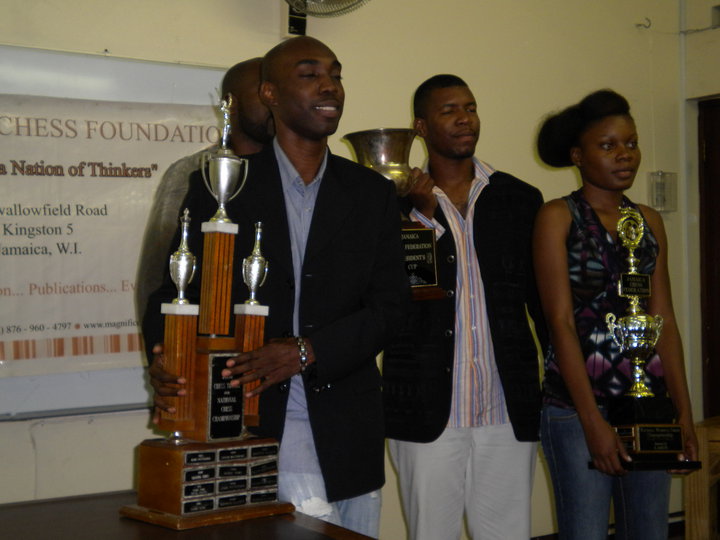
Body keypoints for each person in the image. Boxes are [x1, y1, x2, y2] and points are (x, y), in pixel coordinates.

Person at [142, 36, 409, 538]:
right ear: (269, 93)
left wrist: (307, 350)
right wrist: (165, 356)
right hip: (254, 434)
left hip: (348, 439)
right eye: (309, 74)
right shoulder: (222, 185)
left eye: (335, 73)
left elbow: (392, 309)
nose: (329, 85)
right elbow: (173, 295)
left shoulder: (371, 192)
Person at [382, 74, 547, 540]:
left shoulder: (519, 199)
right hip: (426, 409)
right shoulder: (390, 206)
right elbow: (402, 298)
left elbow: (540, 303)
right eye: (449, 110)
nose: (464, 119)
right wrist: (420, 218)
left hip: (505, 407)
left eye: (470, 107)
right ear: (420, 126)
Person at [533, 89, 698, 540]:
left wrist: (682, 414)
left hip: (648, 407)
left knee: (649, 532)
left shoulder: (647, 221)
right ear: (578, 156)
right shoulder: (557, 218)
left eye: (631, 142)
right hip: (576, 410)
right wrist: (593, 423)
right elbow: (561, 324)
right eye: (608, 146)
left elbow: (663, 319)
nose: (624, 155)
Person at [135, 57, 274, 325]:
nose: (274, 102)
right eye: (263, 92)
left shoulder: (294, 174)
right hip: (207, 337)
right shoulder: (188, 173)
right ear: (229, 104)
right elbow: (157, 275)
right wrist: (164, 349)